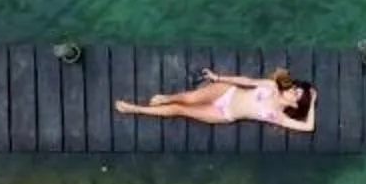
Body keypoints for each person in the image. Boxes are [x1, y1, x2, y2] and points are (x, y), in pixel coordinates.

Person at [114, 67, 317, 133]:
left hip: (225, 114)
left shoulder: (278, 117)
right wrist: (219, 78)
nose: (293, 90)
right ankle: (166, 97)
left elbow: (308, 127)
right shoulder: (272, 86)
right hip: (227, 93)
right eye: (296, 88)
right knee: (189, 97)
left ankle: (134, 109)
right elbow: (246, 81)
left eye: (297, 94)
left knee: (180, 110)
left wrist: (312, 103)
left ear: (296, 104)